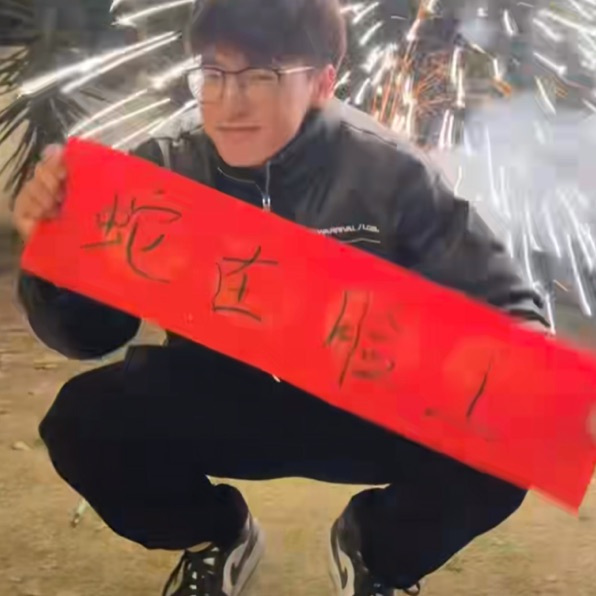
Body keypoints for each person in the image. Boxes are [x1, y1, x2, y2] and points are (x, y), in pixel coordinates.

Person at [12, 0, 555, 595]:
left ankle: (377, 554)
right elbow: (91, 333)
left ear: (323, 82)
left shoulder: (391, 173)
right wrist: (55, 253)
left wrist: (533, 363)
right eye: (213, 74)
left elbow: (500, 296)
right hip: (219, 393)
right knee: (83, 421)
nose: (229, 102)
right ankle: (215, 536)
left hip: (366, 403)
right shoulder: (164, 165)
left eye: (261, 77)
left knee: (514, 440)